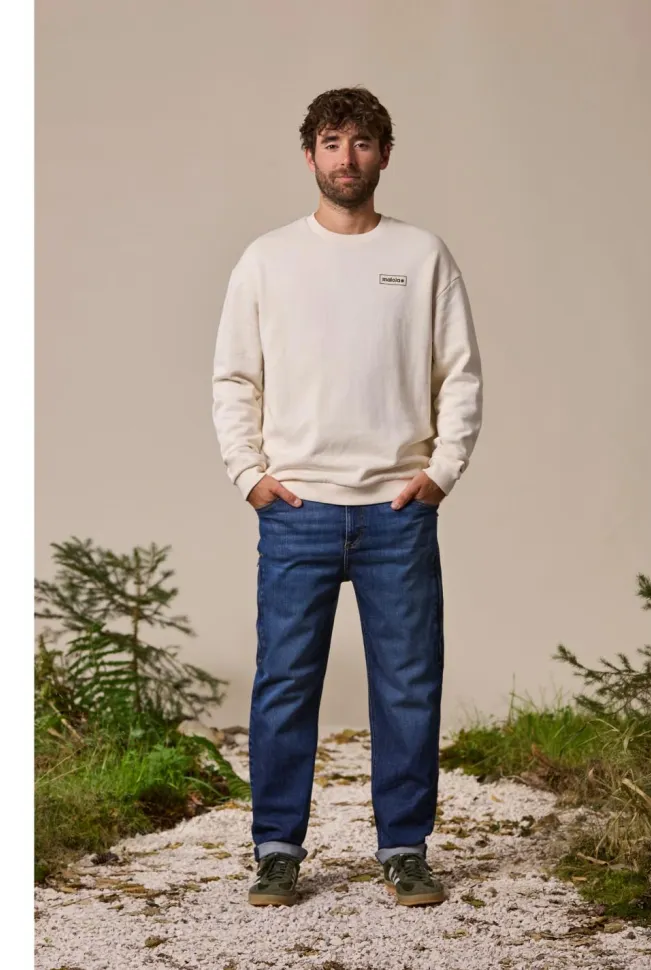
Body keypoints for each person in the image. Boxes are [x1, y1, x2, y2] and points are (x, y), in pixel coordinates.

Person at [211, 86, 484, 907]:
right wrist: (249, 474)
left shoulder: (423, 255)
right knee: (284, 687)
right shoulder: (267, 259)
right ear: (310, 155)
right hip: (296, 510)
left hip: (397, 512)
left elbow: (459, 374)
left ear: (384, 155)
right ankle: (276, 850)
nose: (346, 157)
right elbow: (235, 377)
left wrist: (441, 472)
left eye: (362, 142)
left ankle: (404, 848)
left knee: (408, 685)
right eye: (332, 142)